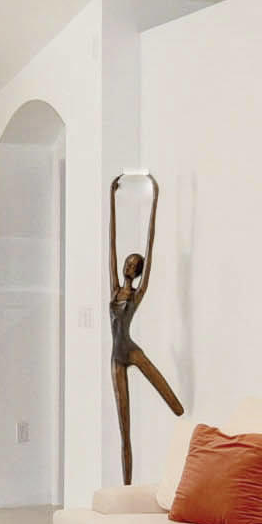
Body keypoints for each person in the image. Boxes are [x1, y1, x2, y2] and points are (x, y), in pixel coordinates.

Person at [108, 174, 183, 482]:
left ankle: (180, 411)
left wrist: (155, 200)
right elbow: (111, 244)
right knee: (124, 429)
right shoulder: (115, 289)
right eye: (127, 263)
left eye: (132, 265)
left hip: (131, 351)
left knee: (174, 404)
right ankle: (126, 485)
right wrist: (111, 198)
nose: (127, 266)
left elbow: (150, 247)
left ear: (138, 271)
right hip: (116, 358)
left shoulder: (137, 294)